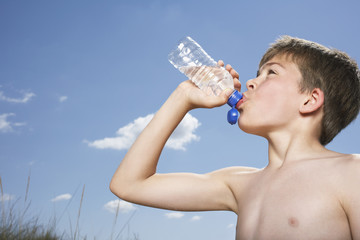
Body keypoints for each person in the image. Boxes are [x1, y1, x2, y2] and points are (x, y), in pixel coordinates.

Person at [110, 36, 360, 239]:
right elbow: (129, 184)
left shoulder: (352, 173)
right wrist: (183, 96)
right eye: (257, 73)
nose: (250, 82)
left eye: (271, 73)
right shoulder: (239, 184)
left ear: (310, 100)